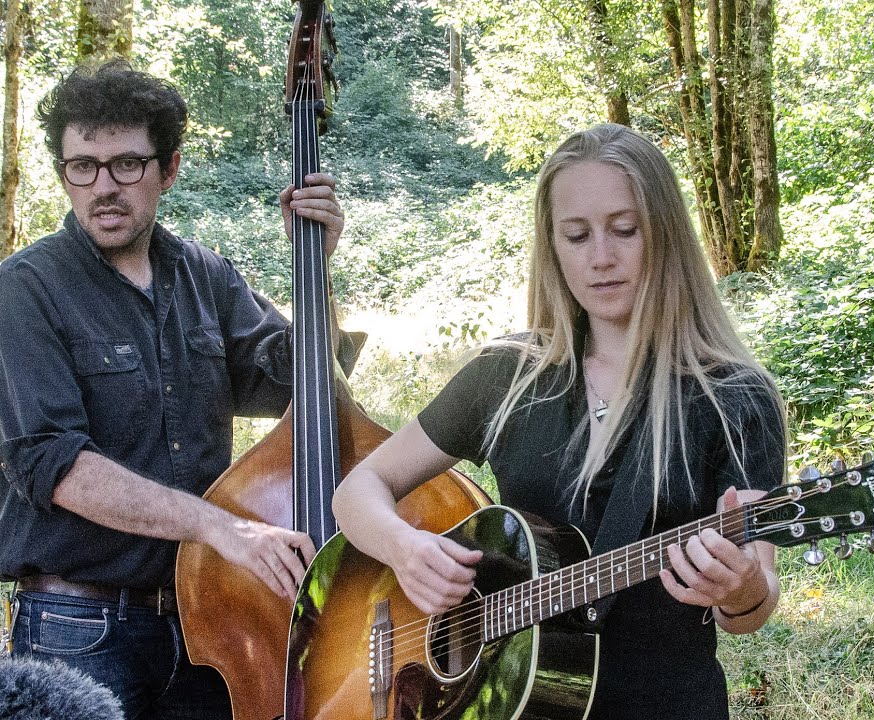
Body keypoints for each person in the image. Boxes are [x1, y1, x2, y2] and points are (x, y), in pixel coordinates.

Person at [332, 123, 787, 720]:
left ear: (666, 235)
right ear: (552, 248)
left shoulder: (735, 400)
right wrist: (406, 550)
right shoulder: (508, 375)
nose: (602, 257)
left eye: (626, 230)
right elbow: (356, 492)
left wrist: (742, 590)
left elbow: (757, 600)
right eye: (577, 236)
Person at [0, 60, 350, 719]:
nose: (103, 186)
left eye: (127, 165)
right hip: (78, 626)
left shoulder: (207, 276)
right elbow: (57, 467)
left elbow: (297, 388)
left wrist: (316, 268)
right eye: (83, 166)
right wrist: (225, 530)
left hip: (206, 625)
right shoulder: (23, 290)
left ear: (170, 168)